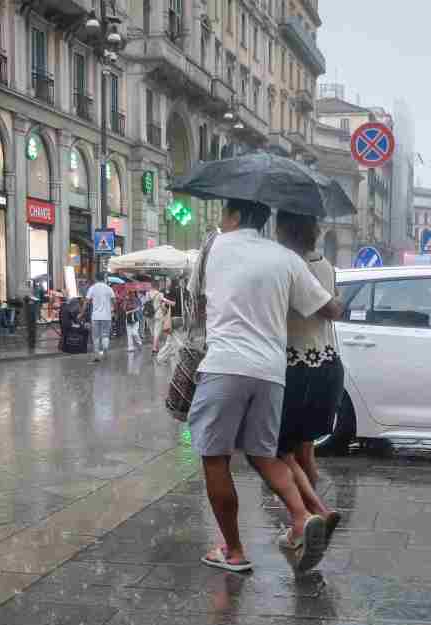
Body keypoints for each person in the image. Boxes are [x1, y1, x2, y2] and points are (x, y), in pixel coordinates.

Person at [189, 199, 343, 572]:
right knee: (264, 454)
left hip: (225, 366)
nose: (222, 222)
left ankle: (234, 551)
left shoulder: (212, 247)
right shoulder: (285, 258)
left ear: (236, 216)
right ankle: (301, 517)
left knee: (215, 457)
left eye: (225, 215)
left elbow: (195, 304)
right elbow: (328, 309)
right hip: (272, 373)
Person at [274, 211, 344, 559]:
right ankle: (305, 522)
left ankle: (303, 524)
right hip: (327, 363)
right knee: (305, 452)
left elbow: (330, 309)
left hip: (298, 367)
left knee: (278, 452)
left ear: (286, 230)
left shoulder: (289, 266)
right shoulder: (326, 264)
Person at [84, 273, 116, 362]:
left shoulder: (92, 288)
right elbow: (114, 301)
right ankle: (105, 348)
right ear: (104, 278)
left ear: (96, 278)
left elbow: (86, 302)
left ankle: (96, 356)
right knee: (105, 334)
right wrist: (113, 310)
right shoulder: (109, 289)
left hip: (95, 316)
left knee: (96, 336)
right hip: (107, 316)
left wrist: (82, 313)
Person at [147, 280, 175, 354]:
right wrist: (172, 303)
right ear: (157, 286)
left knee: (153, 331)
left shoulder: (148, 293)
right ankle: (154, 347)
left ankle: (156, 346)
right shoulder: (159, 294)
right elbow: (164, 300)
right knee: (157, 332)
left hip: (149, 315)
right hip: (158, 314)